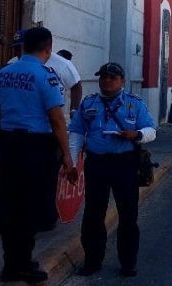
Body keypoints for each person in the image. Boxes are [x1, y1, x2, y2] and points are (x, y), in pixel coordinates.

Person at [0, 27, 78, 283]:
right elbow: (57, 120)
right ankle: (23, 264)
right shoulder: (46, 75)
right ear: (48, 49)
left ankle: (10, 264)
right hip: (35, 146)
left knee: (10, 204)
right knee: (29, 208)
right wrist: (67, 156)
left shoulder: (3, 73)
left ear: (23, 46)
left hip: (7, 144)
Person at [70, 62, 156, 278]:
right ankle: (92, 261)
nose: (107, 80)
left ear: (122, 82)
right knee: (93, 214)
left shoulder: (134, 104)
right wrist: (71, 163)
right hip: (96, 163)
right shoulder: (88, 103)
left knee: (128, 215)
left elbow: (151, 130)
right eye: (104, 77)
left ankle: (128, 263)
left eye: (112, 77)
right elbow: (77, 133)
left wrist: (135, 135)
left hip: (124, 164)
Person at [9, 31, 83, 113]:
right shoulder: (11, 64)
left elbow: (76, 85)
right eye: (16, 49)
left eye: (22, 48)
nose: (19, 53)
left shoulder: (62, 64)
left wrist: (73, 111)